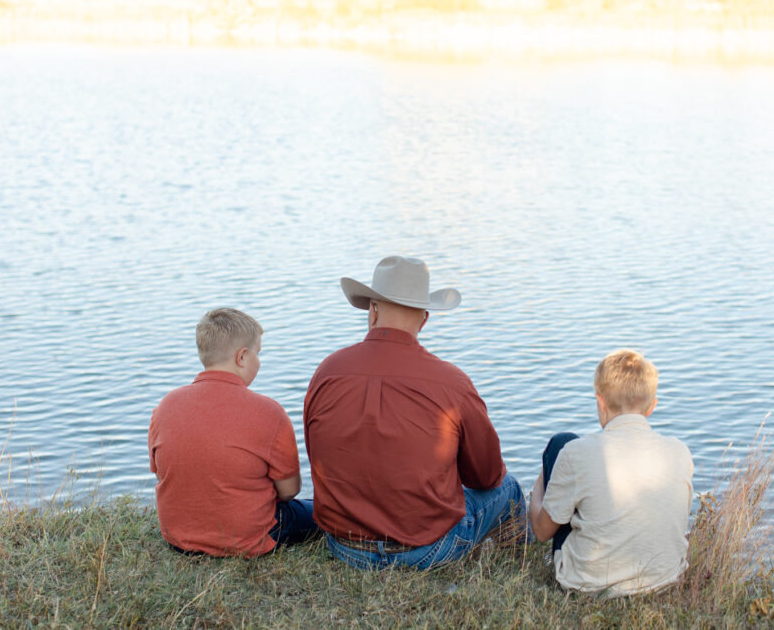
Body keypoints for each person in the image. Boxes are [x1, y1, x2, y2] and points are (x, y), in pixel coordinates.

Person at [304, 256, 527, 569]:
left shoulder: (327, 372)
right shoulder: (451, 382)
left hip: (345, 547)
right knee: (509, 488)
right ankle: (519, 568)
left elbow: (318, 455)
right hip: (428, 549)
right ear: (424, 319)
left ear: (372, 311)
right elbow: (486, 476)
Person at [149, 308, 320, 557]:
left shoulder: (165, 406)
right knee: (320, 512)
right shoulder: (269, 412)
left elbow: (160, 472)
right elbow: (289, 491)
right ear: (242, 357)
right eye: (258, 353)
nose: (259, 361)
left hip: (178, 537)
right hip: (248, 537)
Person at [529, 349, 693, 597]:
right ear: (651, 407)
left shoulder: (575, 453)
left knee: (561, 442)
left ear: (600, 402)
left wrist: (542, 481)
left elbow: (541, 532)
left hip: (590, 584)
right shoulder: (679, 452)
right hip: (665, 578)